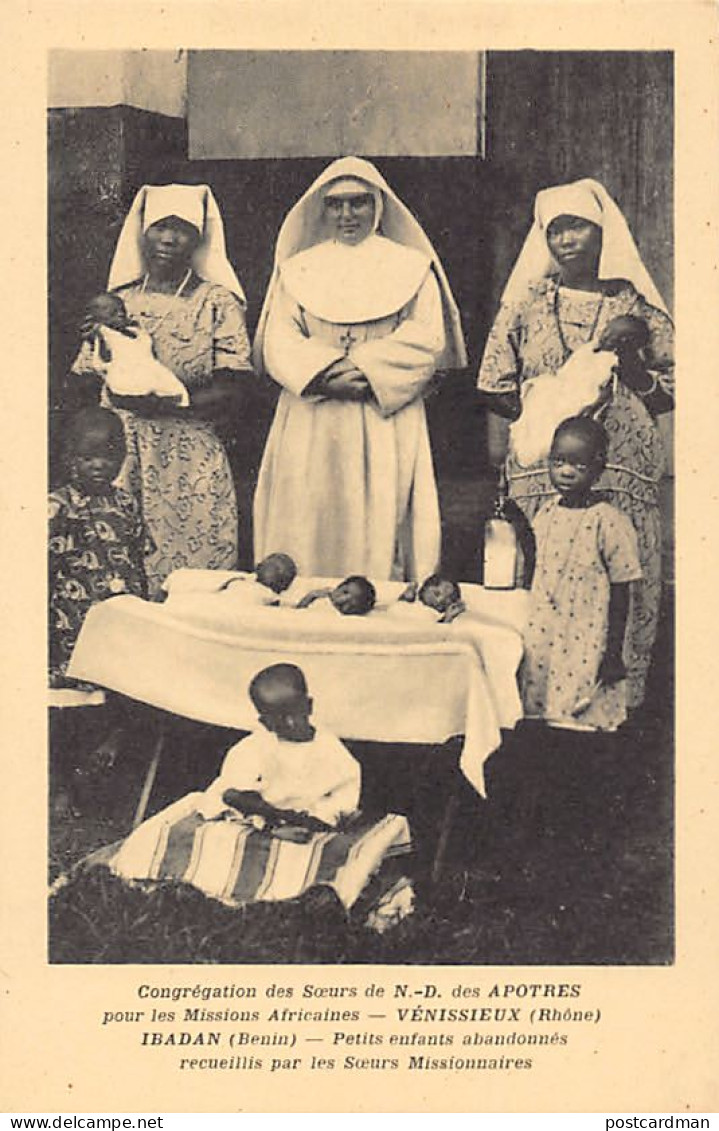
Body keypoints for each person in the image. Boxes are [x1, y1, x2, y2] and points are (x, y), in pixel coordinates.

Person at [477, 178, 673, 710]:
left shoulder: (635, 306)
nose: (567, 240)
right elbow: (493, 382)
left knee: (614, 582)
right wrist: (545, 415)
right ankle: (534, 706)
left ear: (601, 231)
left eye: (578, 226)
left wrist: (627, 368)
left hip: (619, 473)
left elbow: (670, 393)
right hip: (546, 473)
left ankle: (612, 704)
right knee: (545, 583)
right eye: (555, 229)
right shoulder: (525, 304)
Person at [253, 156, 467, 581]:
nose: (347, 215)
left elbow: (426, 337)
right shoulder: (298, 268)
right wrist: (327, 373)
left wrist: (366, 371)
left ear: (378, 207)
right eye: (335, 205)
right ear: (322, 210)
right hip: (313, 410)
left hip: (382, 410)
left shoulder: (410, 267)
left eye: (359, 203)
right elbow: (279, 339)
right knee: (308, 512)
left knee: (381, 510)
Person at [72, 183, 254, 596]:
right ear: (143, 232)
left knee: (194, 580)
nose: (169, 239)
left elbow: (236, 386)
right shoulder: (115, 302)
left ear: (198, 238)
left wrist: (172, 401)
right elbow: (88, 377)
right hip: (120, 452)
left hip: (189, 454)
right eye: (159, 228)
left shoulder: (217, 303)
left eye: (182, 229)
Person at [522, 417, 642, 732]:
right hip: (547, 633)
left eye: (578, 465)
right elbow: (536, 564)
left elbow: (622, 590)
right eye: (558, 461)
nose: (565, 472)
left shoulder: (609, 522)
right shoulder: (546, 512)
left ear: (598, 467)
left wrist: (613, 652)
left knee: (584, 719)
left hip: (589, 639)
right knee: (543, 714)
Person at [49, 408, 153, 685]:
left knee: (120, 671)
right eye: (87, 458)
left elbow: (137, 554)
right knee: (78, 672)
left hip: (121, 604)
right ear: (69, 458)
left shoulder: (125, 503)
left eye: (108, 458)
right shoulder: (58, 507)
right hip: (74, 609)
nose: (98, 465)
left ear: (121, 460)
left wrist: (144, 600)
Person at [199, 663, 362, 830]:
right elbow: (233, 793)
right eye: (280, 719)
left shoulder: (330, 749)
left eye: (296, 712)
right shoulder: (254, 747)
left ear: (308, 706)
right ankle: (274, 826)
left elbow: (344, 795)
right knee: (231, 798)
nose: (291, 723)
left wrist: (316, 818)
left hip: (308, 815)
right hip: (263, 811)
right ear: (266, 723)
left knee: (328, 816)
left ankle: (287, 825)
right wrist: (273, 821)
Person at [75, 292, 189, 404]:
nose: (120, 314)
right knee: (129, 392)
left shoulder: (135, 332)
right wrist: (97, 341)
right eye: (112, 312)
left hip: (151, 373)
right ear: (93, 317)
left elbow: (147, 350)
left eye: (122, 310)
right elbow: (102, 358)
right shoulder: (103, 332)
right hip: (124, 375)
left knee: (170, 392)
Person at [394, 575, 466, 623]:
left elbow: (435, 632)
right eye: (436, 584)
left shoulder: (434, 615)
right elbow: (395, 610)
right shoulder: (413, 603)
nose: (441, 589)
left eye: (447, 598)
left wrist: (448, 618)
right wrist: (404, 598)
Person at [295, 575, 377, 616]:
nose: (343, 599)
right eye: (345, 592)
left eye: (350, 604)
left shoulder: (338, 616)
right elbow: (298, 612)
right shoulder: (321, 596)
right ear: (337, 587)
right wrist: (311, 596)